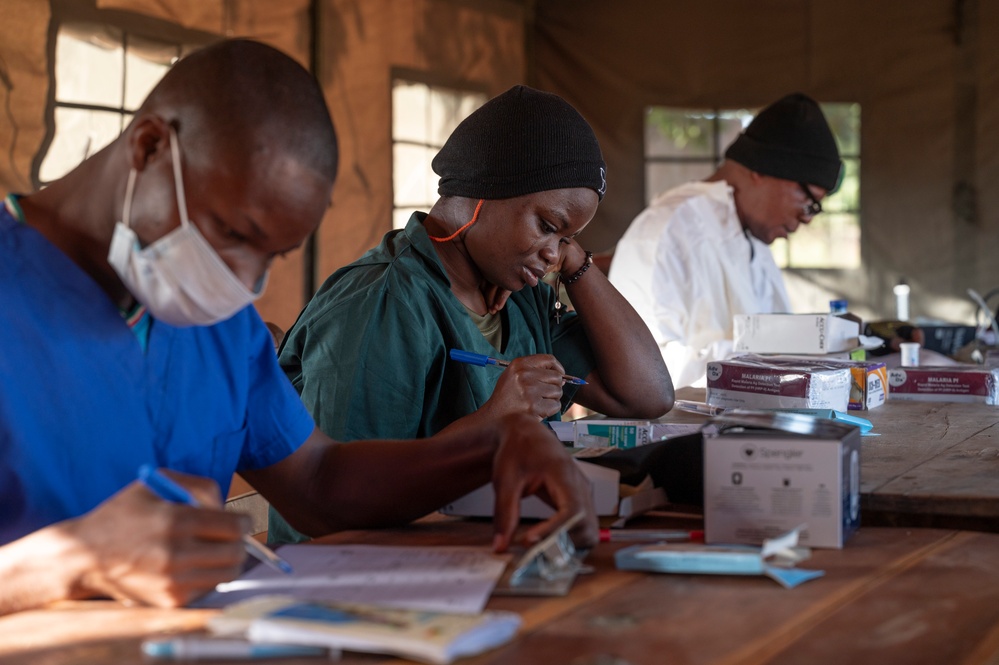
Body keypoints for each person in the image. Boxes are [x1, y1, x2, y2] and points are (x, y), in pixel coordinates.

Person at [0, 40, 599, 616]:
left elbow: (316, 481)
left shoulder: (215, 317)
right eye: (234, 234)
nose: (241, 281)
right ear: (151, 145)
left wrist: (488, 445)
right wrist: (68, 564)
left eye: (273, 256)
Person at [271, 85, 674, 544]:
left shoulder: (520, 299)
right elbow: (338, 497)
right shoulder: (383, 301)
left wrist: (577, 264)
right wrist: (494, 423)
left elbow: (648, 394)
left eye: (565, 240)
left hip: (480, 556)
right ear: (484, 188)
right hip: (365, 582)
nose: (550, 254)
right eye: (547, 226)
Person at [608, 93, 843, 388]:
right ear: (763, 168)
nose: (808, 218)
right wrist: (767, 356)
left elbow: (780, 339)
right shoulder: (667, 229)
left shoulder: (752, 238)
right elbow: (647, 370)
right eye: (810, 201)